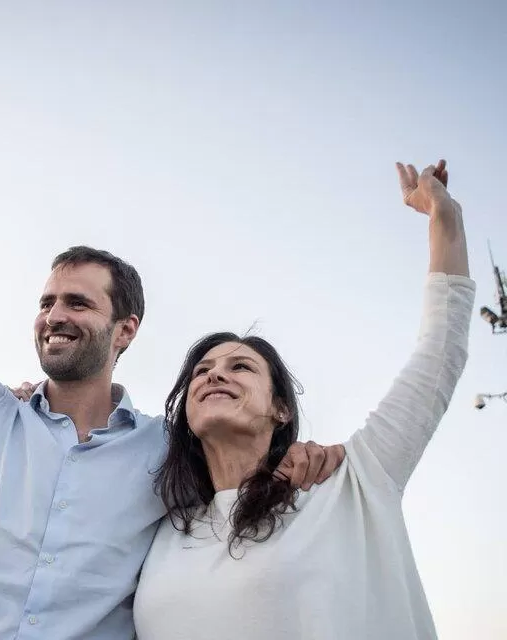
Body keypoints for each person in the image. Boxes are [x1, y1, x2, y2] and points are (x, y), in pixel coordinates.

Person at [0, 27, 345, 640]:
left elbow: (247, 476)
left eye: (78, 302)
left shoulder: (170, 452)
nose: (55, 315)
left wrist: (306, 458)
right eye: (46, 301)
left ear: (126, 329)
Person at [133, 160, 473, 639]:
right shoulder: (164, 529)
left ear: (281, 408)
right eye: (202, 372)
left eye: (241, 367)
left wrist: (444, 217)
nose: (215, 376)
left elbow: (441, 351)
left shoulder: (350, 484)